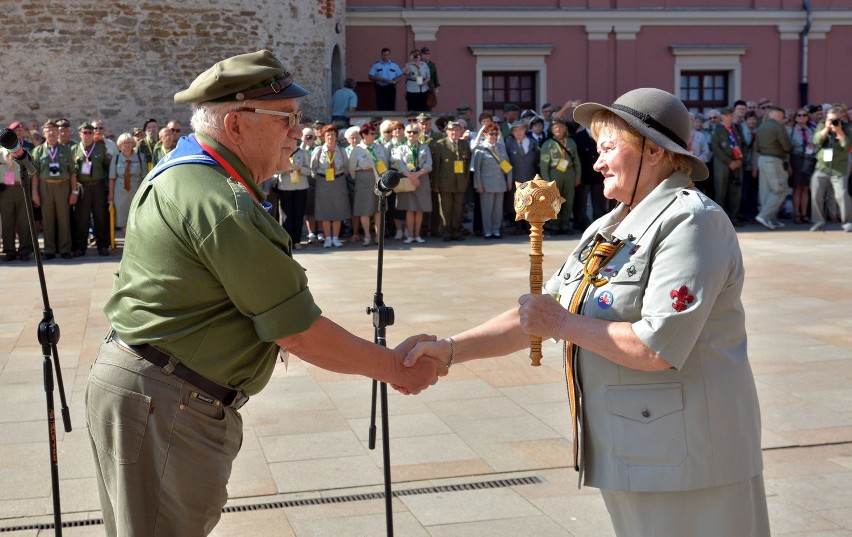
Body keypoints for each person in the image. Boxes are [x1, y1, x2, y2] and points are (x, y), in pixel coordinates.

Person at [85, 50, 443, 537]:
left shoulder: (190, 171)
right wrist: (393, 368)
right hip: (166, 400)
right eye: (287, 119)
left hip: (155, 390)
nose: (299, 131)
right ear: (235, 124)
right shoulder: (221, 201)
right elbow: (298, 332)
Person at [404, 87, 769, 537]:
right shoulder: (609, 224)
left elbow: (656, 346)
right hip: (636, 446)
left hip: (692, 457)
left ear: (654, 151)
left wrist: (559, 324)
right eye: (597, 149)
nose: (597, 162)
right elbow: (539, 313)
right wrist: (450, 350)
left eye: (610, 148)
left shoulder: (692, 222)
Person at [31, 120, 78, 260]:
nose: (51, 132)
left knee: (64, 219)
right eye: (48, 130)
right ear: (44, 133)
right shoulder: (38, 151)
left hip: (63, 186)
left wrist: (74, 192)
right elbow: (35, 174)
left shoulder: (65, 150)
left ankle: (65, 249)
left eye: (53, 130)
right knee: (47, 219)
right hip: (45, 186)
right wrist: (35, 193)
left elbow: (72, 173)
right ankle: (49, 249)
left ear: (57, 133)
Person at [809, 106, 852, 232]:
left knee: (842, 195)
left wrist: (839, 131)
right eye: (830, 119)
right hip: (822, 166)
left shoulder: (847, 127)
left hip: (839, 167)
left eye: (835, 119)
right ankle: (818, 221)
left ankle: (847, 222)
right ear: (826, 118)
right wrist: (827, 128)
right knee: (816, 193)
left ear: (840, 118)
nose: (833, 121)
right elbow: (816, 140)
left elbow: (846, 145)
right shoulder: (822, 125)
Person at [72, 122, 112, 256]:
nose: (87, 136)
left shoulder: (101, 148)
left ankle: (103, 245)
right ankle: (80, 246)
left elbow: (107, 166)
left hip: (97, 187)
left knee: (100, 216)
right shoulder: (74, 149)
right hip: (82, 187)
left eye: (90, 133)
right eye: (85, 133)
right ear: (80, 134)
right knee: (81, 218)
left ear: (93, 134)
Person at [391, 121, 432, 243]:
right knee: (409, 208)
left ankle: (417, 235)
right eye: (409, 132)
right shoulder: (401, 148)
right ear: (405, 133)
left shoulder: (424, 147)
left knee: (419, 208)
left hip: (421, 178)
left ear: (418, 134)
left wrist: (418, 175)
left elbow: (429, 164)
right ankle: (409, 236)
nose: (411, 134)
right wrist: (411, 176)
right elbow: (399, 164)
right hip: (407, 178)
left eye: (414, 132)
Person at [310, 124, 351, 248]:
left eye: (333, 134)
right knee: (325, 210)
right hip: (323, 182)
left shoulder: (342, 151)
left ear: (336, 136)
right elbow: (313, 168)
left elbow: (346, 167)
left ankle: (335, 237)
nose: (331, 137)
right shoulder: (318, 151)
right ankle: (328, 238)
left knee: (338, 210)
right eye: (328, 134)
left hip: (338, 181)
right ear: (323, 137)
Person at [431, 120, 472, 241]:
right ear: (447, 131)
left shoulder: (464, 144)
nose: (454, 132)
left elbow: (467, 165)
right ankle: (446, 232)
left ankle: (456, 231)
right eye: (451, 130)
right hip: (445, 183)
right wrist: (436, 184)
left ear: (460, 131)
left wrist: (466, 181)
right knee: (445, 209)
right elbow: (437, 166)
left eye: (457, 129)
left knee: (458, 209)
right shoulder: (440, 144)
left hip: (460, 182)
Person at [347, 123, 387, 246]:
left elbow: (384, 162)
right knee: (364, 209)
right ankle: (367, 236)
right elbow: (351, 168)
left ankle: (378, 236)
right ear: (364, 134)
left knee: (378, 209)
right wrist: (359, 178)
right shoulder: (357, 149)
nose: (374, 135)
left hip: (378, 179)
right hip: (363, 179)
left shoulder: (378, 147)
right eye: (371, 133)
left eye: (374, 133)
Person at [540, 118, 581, 234]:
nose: (558, 129)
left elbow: (577, 161)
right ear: (552, 130)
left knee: (569, 200)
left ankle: (565, 225)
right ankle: (554, 226)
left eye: (561, 127)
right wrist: (547, 181)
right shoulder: (548, 144)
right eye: (555, 127)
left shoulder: (571, 142)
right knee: (555, 201)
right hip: (554, 173)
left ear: (565, 129)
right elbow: (544, 165)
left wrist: (578, 177)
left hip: (569, 173)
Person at [754, 105, 793, 230]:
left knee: (766, 191)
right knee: (779, 189)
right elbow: (787, 146)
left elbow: (757, 147)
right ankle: (765, 216)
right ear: (778, 115)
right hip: (774, 160)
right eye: (782, 116)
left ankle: (770, 219)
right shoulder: (778, 126)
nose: (783, 119)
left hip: (763, 159)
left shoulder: (761, 126)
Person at [472, 123, 512, 239]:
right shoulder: (480, 149)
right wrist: (478, 185)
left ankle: (496, 230)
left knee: (498, 209)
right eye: (491, 134)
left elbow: (507, 165)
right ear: (485, 134)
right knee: (487, 209)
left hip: (500, 182)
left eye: (495, 133)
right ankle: (488, 231)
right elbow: (477, 169)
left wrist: (509, 181)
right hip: (486, 184)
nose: (493, 136)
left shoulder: (500, 147)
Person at [275, 129, 311, 249]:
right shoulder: (280, 152)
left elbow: (310, 171)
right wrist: (285, 169)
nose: (292, 142)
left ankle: (297, 240)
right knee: (286, 215)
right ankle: (287, 241)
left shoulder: (304, 153)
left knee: (299, 214)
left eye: (295, 140)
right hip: (285, 187)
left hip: (301, 187)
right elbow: (275, 169)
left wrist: (299, 169)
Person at [1, 134, 35, 262]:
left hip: (22, 188)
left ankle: (24, 250)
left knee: (24, 221)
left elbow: (32, 168)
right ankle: (9, 250)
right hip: (5, 190)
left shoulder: (23, 151)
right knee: (7, 222)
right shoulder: (0, 152)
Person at [710, 106, 745, 226]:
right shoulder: (718, 130)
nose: (730, 117)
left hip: (738, 163)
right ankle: (721, 219)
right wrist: (729, 162)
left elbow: (743, 145)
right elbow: (716, 148)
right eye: (727, 115)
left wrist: (740, 159)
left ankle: (734, 216)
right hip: (723, 165)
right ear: (722, 117)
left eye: (731, 115)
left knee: (736, 190)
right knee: (721, 191)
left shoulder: (737, 128)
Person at [108, 132, 146, 237]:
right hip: (120, 192)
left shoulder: (140, 157)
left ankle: (136, 239)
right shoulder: (115, 159)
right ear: (120, 145)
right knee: (122, 217)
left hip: (136, 191)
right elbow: (112, 178)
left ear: (133, 144)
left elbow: (144, 177)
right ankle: (127, 241)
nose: (127, 145)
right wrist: (111, 195)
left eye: (129, 142)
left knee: (137, 216)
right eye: (124, 143)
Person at [788, 107, 816, 224]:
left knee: (805, 188)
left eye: (804, 115)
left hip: (809, 159)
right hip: (796, 159)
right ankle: (797, 213)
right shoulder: (791, 131)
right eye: (799, 115)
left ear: (808, 117)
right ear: (795, 118)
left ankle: (804, 213)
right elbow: (787, 150)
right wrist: (789, 165)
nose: (802, 117)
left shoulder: (812, 130)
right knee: (797, 188)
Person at [420, 46, 439, 111]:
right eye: (425, 53)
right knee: (420, 105)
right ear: (421, 54)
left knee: (429, 105)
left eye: (428, 54)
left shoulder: (432, 65)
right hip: (420, 87)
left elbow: (435, 77)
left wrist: (436, 89)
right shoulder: (418, 63)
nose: (427, 55)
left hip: (429, 87)